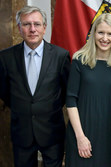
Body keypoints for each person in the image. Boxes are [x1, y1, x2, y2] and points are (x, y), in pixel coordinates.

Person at [0, 6, 71, 167]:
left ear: (44, 28)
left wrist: (47, 107)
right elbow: (5, 92)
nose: (32, 29)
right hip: (22, 132)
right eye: (27, 24)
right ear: (19, 28)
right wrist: (24, 106)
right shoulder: (5, 58)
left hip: (52, 130)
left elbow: (66, 91)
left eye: (37, 24)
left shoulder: (61, 56)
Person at [65, 13, 111, 167]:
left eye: (110, 34)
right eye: (101, 32)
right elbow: (71, 100)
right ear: (93, 33)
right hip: (82, 133)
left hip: (109, 136)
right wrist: (80, 137)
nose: (105, 38)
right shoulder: (79, 60)